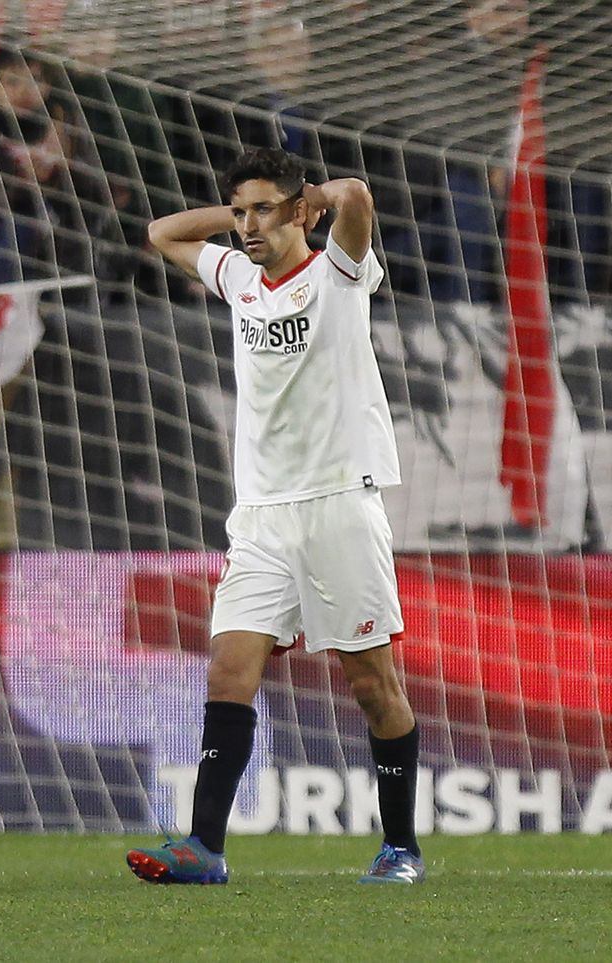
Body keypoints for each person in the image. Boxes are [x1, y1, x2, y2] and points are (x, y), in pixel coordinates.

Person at [125, 148, 423, 883]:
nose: (247, 225)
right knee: (229, 671)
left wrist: (309, 201)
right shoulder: (238, 278)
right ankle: (204, 848)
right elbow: (163, 231)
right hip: (259, 514)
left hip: (338, 505)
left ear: (299, 212)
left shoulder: (338, 274)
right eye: (239, 211)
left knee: (372, 684)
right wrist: (242, 218)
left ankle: (401, 846)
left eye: (264, 209)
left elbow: (356, 195)